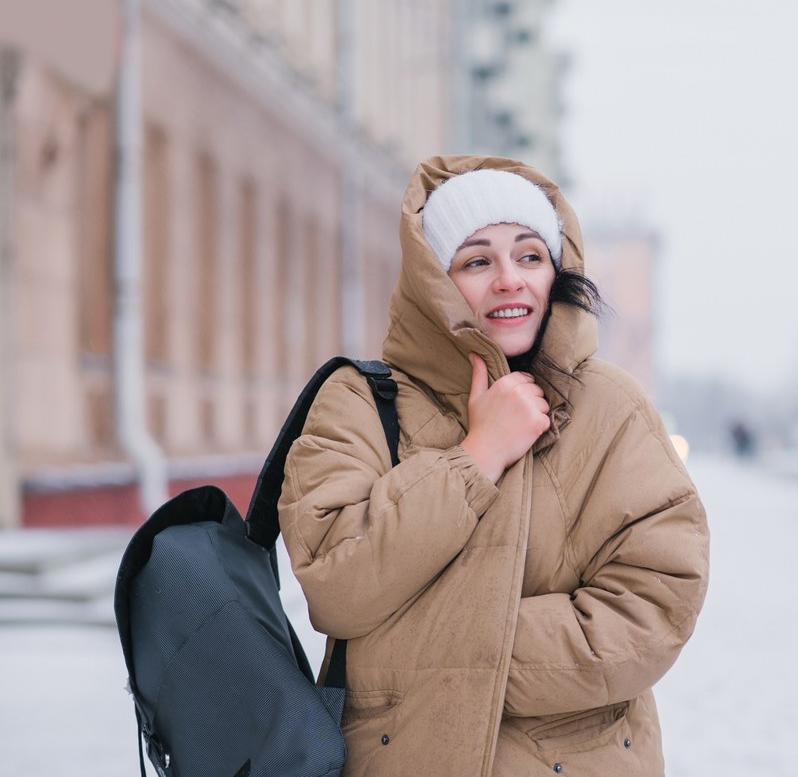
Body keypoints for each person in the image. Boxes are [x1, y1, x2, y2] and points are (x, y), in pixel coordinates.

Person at [279, 155, 710, 776]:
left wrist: (437, 650)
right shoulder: (358, 403)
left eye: (530, 256)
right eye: (477, 261)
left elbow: (654, 603)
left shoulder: (612, 408)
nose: (510, 280)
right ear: (434, 281)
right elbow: (338, 587)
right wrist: (475, 458)